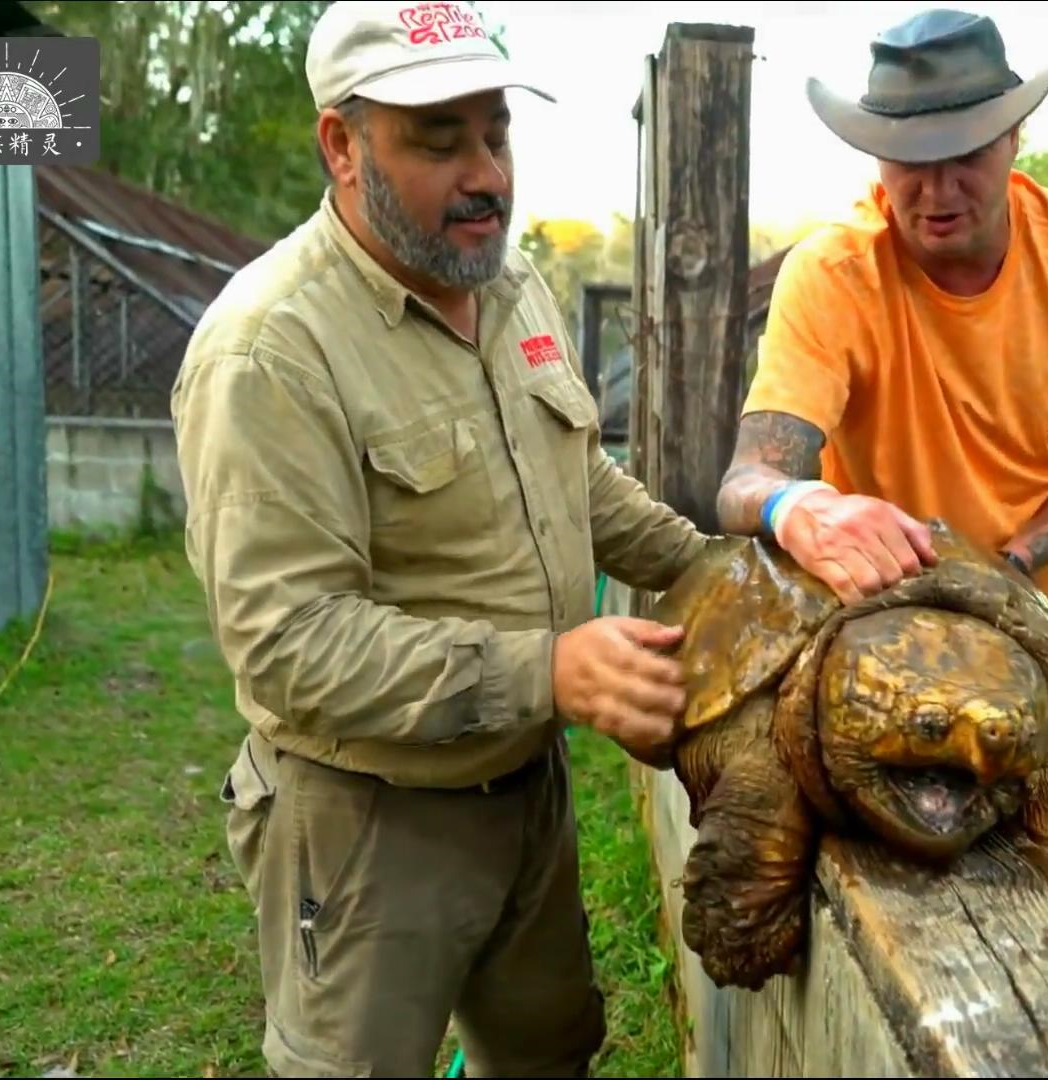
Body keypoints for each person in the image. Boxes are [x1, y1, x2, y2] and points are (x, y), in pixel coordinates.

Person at [170, 2, 711, 1075]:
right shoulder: (270, 350)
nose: (487, 176)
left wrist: (711, 567)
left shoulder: (502, 281)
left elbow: (575, 477)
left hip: (525, 789)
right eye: (438, 139)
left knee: (550, 1050)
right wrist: (548, 670)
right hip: (369, 823)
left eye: (496, 133)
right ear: (341, 142)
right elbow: (290, 643)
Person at [715, 9, 1048, 980]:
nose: (935, 189)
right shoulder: (834, 272)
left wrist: (1014, 565)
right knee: (856, 859)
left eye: (963, 153)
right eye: (905, 160)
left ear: (1014, 137)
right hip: (890, 632)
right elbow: (746, 479)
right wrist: (798, 507)